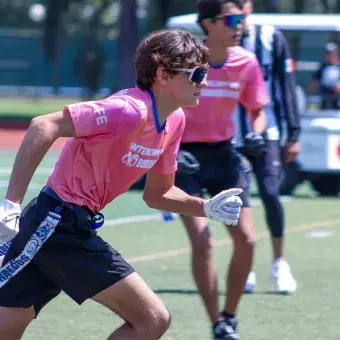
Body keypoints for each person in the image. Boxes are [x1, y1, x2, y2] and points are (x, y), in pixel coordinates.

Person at [0, 29, 244, 340]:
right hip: (56, 223)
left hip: (68, 226)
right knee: (152, 320)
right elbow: (43, 125)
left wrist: (206, 207)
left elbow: (158, 194)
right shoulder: (129, 110)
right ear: (163, 74)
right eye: (196, 73)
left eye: (205, 73)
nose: (204, 82)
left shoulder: (175, 119)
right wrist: (12, 203)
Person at [174, 1, 269, 339]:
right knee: (203, 244)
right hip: (183, 159)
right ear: (208, 23)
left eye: (241, 19)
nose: (239, 25)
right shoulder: (184, 62)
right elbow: (158, 108)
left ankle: (230, 316)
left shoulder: (247, 62)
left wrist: (258, 132)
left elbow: (256, 108)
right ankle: (217, 324)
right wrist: (167, 155)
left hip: (224, 157)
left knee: (246, 240)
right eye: (231, 19)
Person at [234, 0, 300, 294]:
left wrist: (293, 133)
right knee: (239, 199)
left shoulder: (270, 36)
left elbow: (286, 85)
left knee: (272, 193)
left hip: (268, 132)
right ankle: (245, 263)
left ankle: (279, 262)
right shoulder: (212, 42)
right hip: (231, 135)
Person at [308, 42, 340, 110]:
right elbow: (314, 82)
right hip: (325, 98)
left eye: (332, 54)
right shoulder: (323, 67)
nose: (330, 56)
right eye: (328, 54)